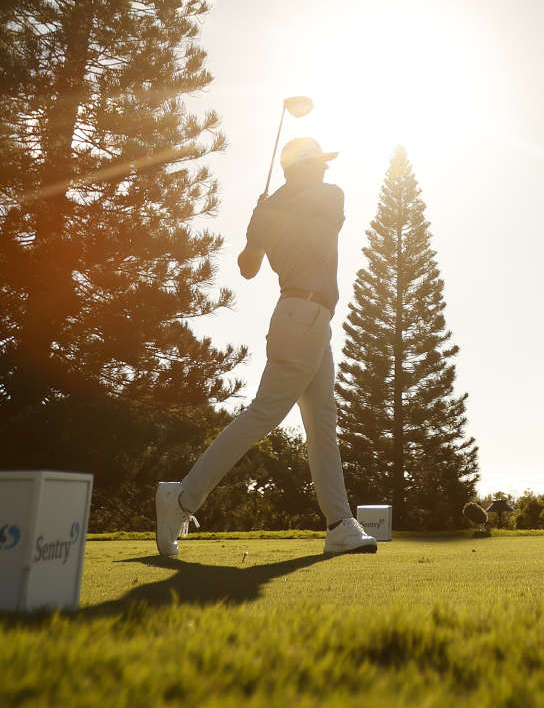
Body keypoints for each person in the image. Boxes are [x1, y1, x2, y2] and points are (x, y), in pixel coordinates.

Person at [156, 137, 378, 559]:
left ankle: (338, 524)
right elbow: (247, 266)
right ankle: (183, 498)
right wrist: (259, 223)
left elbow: (257, 257)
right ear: (304, 168)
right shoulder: (303, 199)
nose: (327, 171)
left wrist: (267, 213)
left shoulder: (318, 198)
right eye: (319, 163)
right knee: (264, 414)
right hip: (300, 317)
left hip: (310, 322)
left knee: (322, 423)